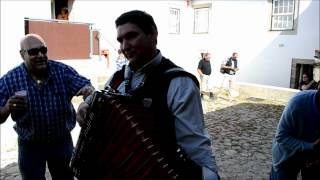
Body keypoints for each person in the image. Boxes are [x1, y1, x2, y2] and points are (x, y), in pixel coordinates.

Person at [77, 10, 219, 179]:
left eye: (131, 36)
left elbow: (195, 143)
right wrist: (85, 105)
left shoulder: (179, 83)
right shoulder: (116, 78)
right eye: (120, 40)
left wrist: (210, 175)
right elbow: (100, 103)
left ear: (153, 34)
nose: (124, 46)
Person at [0, 34, 94, 180]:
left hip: (62, 142)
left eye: (43, 50)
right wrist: (7, 108)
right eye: (33, 52)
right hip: (30, 146)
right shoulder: (10, 79)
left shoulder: (62, 71)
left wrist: (86, 99)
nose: (40, 55)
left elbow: (87, 87)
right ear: (22, 54)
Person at [269, 86, 320, 179]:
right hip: (286, 156)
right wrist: (311, 146)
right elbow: (281, 137)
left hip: (311, 159)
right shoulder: (298, 103)